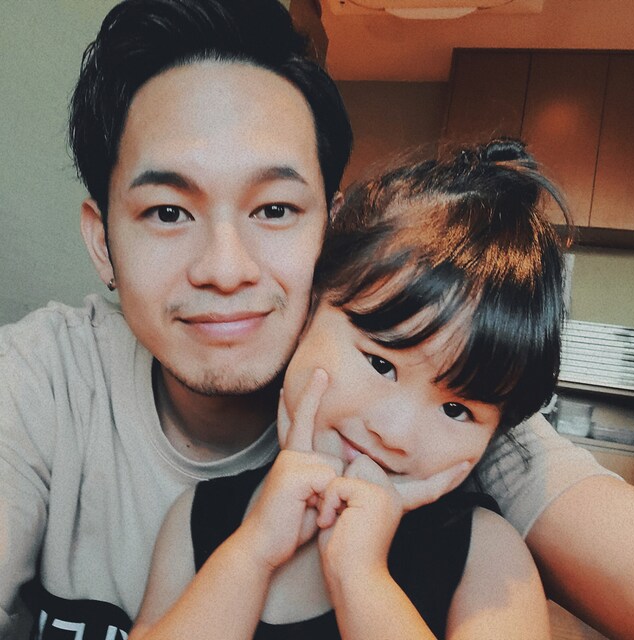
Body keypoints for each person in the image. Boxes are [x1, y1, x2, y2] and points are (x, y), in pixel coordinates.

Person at [0, 0, 634, 639]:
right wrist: (254, 549)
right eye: (168, 212)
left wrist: (359, 574)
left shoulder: (457, 420)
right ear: (102, 241)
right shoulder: (42, 384)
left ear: (330, 236)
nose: (225, 269)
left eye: (275, 209)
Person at [131, 138, 563, 640]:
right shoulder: (200, 518)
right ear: (309, 309)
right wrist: (253, 551)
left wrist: (359, 577)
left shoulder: (485, 554)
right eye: (381, 363)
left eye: (456, 409)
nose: (393, 433)